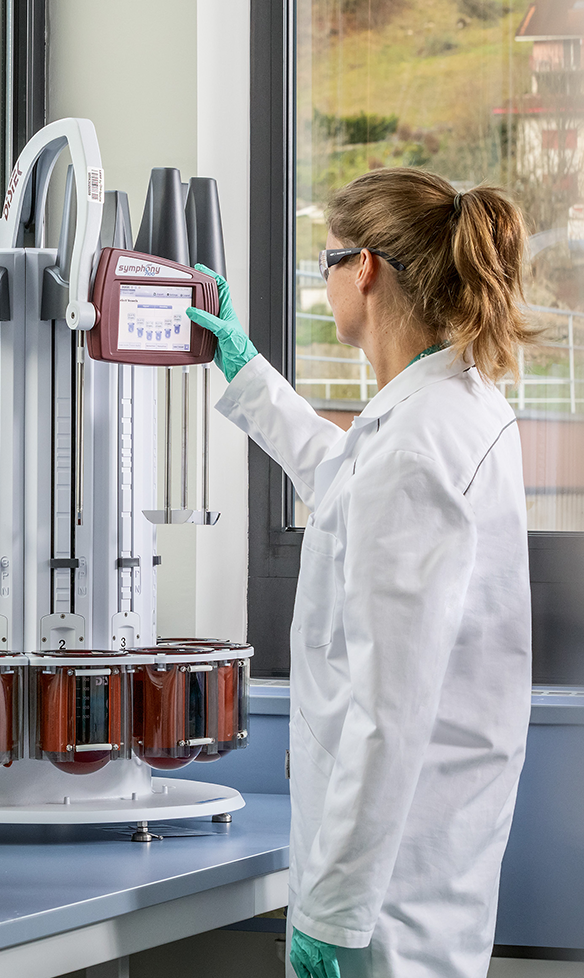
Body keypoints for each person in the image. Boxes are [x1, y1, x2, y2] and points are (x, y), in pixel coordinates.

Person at [187, 167, 534, 978]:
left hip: (387, 896)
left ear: (365, 269)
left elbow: (389, 709)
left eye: (327, 263)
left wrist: (334, 915)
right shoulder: (446, 406)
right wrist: (245, 370)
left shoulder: (416, 443)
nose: (326, 281)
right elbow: (347, 481)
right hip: (425, 854)